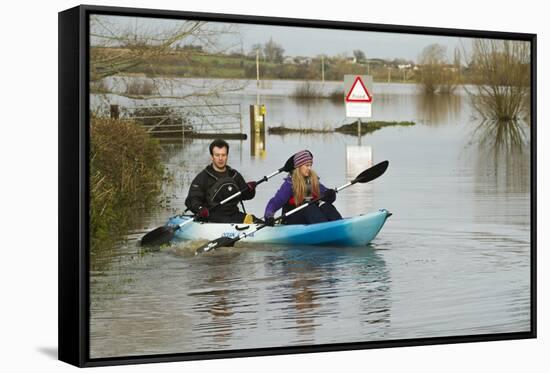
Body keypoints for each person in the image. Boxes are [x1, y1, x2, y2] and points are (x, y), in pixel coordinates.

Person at [185, 139, 258, 224]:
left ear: (227, 156)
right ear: (212, 156)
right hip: (211, 216)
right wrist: (200, 209)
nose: (220, 158)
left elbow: (246, 196)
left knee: (256, 221)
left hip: (233, 214)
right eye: (217, 155)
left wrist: (250, 189)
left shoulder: (234, 175)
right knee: (228, 220)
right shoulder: (203, 177)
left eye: (223, 155)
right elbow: (192, 199)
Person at [263, 150, 342, 226]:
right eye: (307, 165)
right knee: (308, 207)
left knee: (325, 206)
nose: (309, 168)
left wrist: (330, 195)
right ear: (299, 167)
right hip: (291, 221)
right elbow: (274, 203)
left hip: (312, 218)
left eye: (310, 165)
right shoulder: (290, 184)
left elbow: (326, 195)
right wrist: (269, 216)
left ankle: (339, 225)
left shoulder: (312, 181)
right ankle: (325, 229)